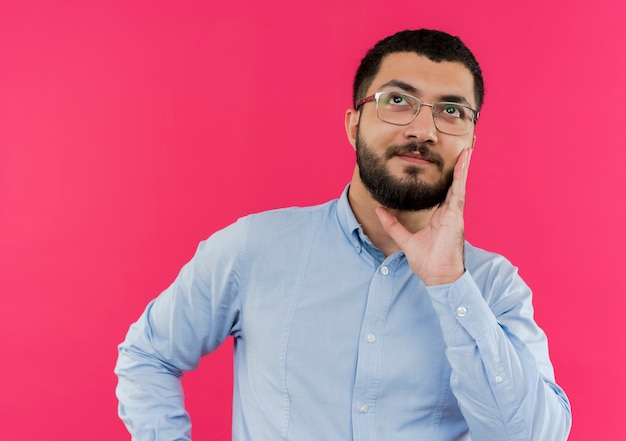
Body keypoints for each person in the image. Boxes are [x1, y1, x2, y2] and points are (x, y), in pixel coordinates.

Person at [115, 29, 572, 440]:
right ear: (354, 124)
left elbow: (532, 436)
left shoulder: (493, 287)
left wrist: (451, 283)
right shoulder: (254, 248)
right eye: (397, 101)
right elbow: (148, 355)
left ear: (471, 141)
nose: (422, 129)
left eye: (451, 111)